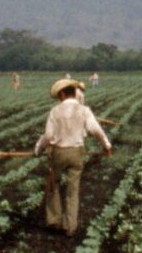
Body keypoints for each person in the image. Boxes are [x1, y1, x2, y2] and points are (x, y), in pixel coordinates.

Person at [34, 78, 111, 234]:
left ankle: (54, 220)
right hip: (77, 152)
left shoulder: (55, 111)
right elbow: (96, 130)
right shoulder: (84, 110)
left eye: (58, 95)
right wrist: (107, 146)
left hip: (59, 152)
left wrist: (38, 149)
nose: (58, 98)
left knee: (52, 185)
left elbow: (48, 136)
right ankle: (70, 227)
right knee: (72, 191)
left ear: (62, 94)